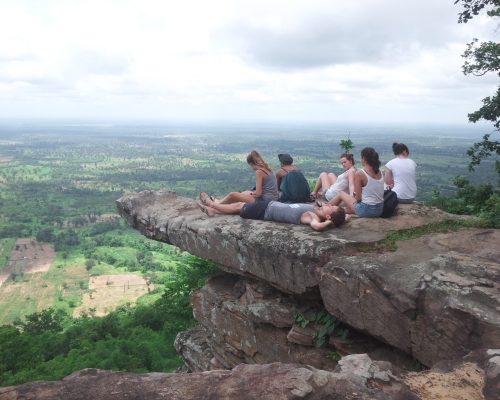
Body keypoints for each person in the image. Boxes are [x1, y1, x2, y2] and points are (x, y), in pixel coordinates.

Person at [197, 197, 347, 231]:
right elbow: (345, 217)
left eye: (331, 208)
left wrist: (330, 223)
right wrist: (344, 217)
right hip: (269, 205)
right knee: (240, 206)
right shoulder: (316, 211)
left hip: (266, 211)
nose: (330, 204)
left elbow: (317, 227)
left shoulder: (313, 217)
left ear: (328, 217)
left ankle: (212, 205)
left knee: (239, 206)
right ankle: (213, 210)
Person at [201, 150, 278, 205]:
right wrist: (250, 193)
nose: (251, 168)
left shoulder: (259, 172)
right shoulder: (268, 169)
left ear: (251, 164)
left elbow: (258, 194)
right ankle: (219, 201)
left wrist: (252, 194)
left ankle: (217, 204)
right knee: (245, 193)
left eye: (250, 166)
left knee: (233, 194)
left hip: (265, 201)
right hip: (273, 198)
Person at [328, 147, 384, 218]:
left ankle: (326, 208)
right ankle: (333, 210)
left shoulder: (360, 173)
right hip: (379, 210)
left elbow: (358, 199)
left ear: (364, 158)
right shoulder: (380, 172)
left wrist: (353, 196)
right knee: (345, 209)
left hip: (366, 210)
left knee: (341, 194)